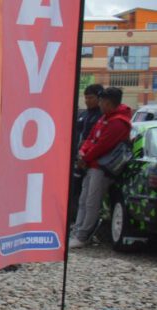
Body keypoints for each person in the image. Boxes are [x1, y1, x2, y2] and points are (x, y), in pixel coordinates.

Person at [71, 86, 132, 248]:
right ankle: (77, 231)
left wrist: (85, 157)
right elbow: (90, 138)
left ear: (108, 103)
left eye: (101, 101)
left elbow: (102, 146)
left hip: (102, 168)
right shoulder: (104, 117)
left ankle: (83, 236)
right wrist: (82, 154)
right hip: (91, 164)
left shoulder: (118, 122)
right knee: (84, 199)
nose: (99, 104)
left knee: (92, 202)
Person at [69, 84, 104, 223]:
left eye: (91, 97)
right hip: (76, 159)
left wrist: (84, 156)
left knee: (83, 195)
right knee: (73, 190)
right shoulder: (84, 114)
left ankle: (79, 222)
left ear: (99, 98)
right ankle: (72, 220)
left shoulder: (101, 116)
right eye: (86, 97)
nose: (87, 101)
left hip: (89, 161)